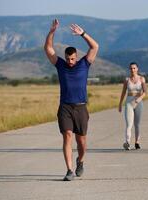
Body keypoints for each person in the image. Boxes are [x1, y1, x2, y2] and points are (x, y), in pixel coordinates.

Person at [44, 19, 99, 181]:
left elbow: (95, 46)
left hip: (81, 108)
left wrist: (82, 34)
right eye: (68, 59)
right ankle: (69, 170)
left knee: (81, 141)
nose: (70, 62)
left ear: (76, 57)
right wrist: (52, 32)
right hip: (65, 107)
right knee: (67, 135)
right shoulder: (60, 65)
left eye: (72, 59)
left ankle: (80, 161)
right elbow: (48, 49)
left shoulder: (84, 64)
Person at [118, 62, 147, 150]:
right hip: (129, 102)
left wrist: (140, 98)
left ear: (137, 69)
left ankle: (137, 142)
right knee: (129, 124)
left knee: (137, 124)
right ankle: (127, 142)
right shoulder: (127, 80)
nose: (132, 70)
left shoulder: (142, 79)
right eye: (131, 68)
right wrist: (120, 104)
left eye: (134, 68)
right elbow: (123, 92)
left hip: (138, 103)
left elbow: (145, 91)